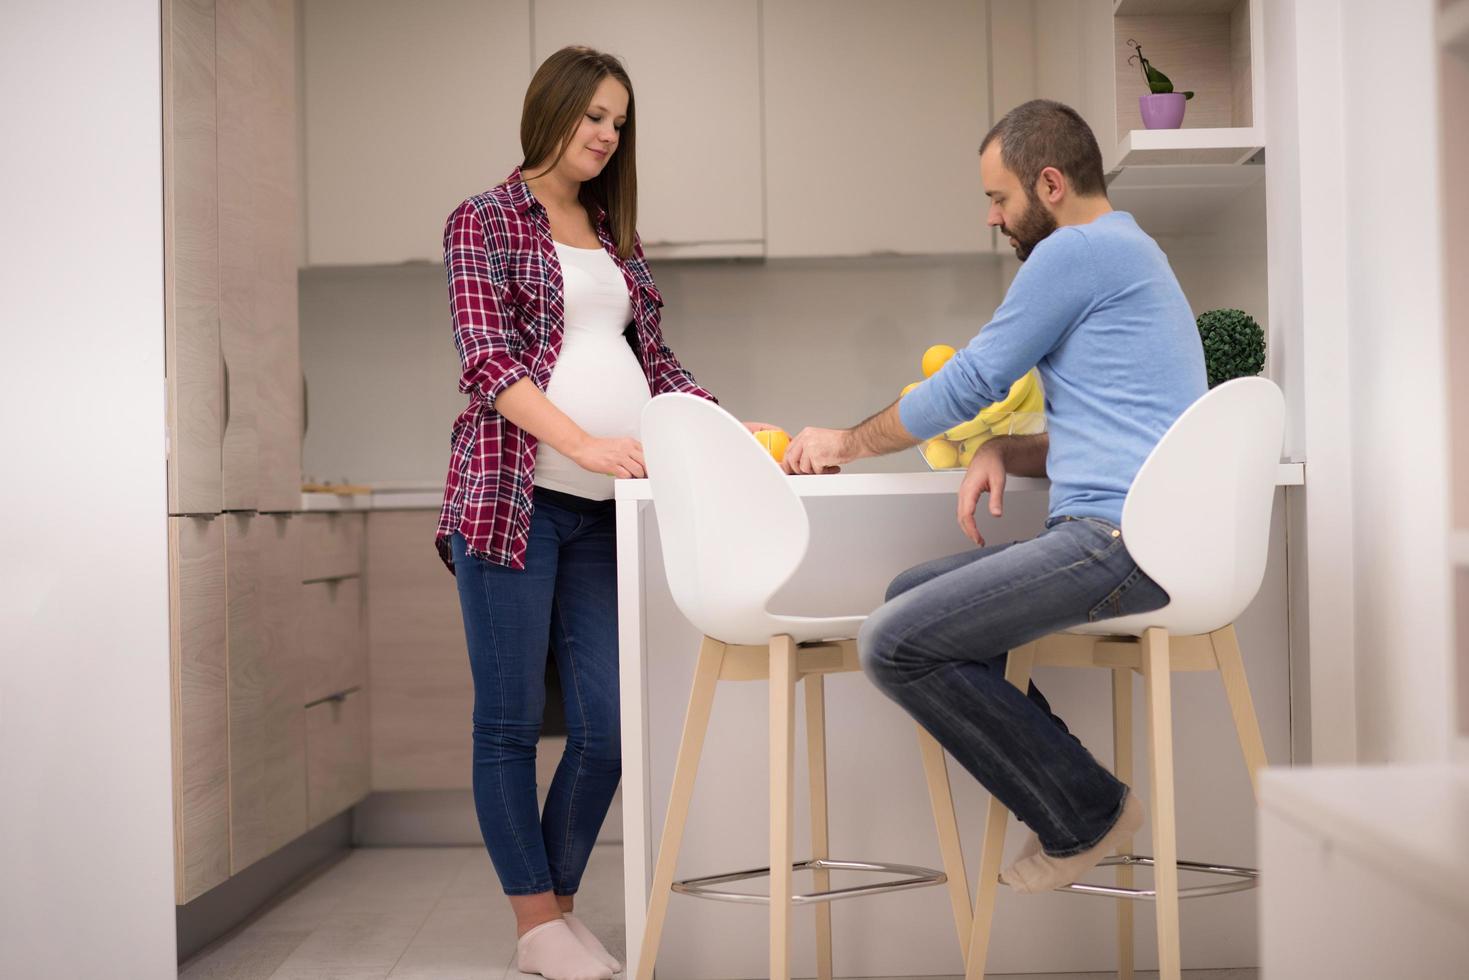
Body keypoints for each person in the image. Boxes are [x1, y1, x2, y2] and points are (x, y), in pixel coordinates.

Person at [782, 99, 1208, 893]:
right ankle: (1072, 793)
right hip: (1130, 532)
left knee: (893, 642)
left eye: (998, 198)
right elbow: (1123, 435)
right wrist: (1006, 448)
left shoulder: (1074, 253)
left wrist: (842, 441)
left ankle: (1084, 810)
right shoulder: (1128, 250)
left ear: (1048, 184)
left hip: (1118, 541)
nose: (991, 218)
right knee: (910, 595)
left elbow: (973, 380)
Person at [435, 46, 772, 980]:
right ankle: (536, 924)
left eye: (617, 121)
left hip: (604, 513)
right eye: (591, 115)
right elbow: (486, 361)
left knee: (608, 728)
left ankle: (557, 916)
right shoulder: (484, 220)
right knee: (506, 722)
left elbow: (656, 365)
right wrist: (581, 441)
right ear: (548, 113)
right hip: (511, 499)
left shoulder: (612, 234)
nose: (604, 134)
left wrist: (721, 429)